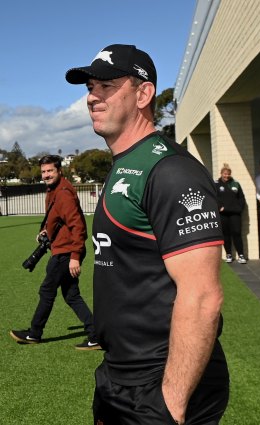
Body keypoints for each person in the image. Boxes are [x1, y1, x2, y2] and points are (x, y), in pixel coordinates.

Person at [66, 44, 229, 425]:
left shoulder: (170, 170)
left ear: (143, 94)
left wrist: (170, 401)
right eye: (90, 86)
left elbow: (203, 296)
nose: (92, 97)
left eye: (106, 85)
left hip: (163, 380)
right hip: (118, 374)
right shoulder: (126, 166)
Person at [10, 155, 100, 351]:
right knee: (71, 295)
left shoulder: (64, 193)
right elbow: (58, 218)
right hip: (63, 248)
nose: (46, 175)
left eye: (50, 171)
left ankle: (34, 333)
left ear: (59, 171)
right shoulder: (55, 190)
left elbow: (78, 227)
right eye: (43, 172)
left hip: (67, 252)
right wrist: (46, 231)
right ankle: (96, 335)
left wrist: (75, 257)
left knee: (47, 291)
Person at [215, 163, 247, 264]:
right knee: (225, 234)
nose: (226, 176)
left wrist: (239, 208)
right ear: (221, 174)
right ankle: (229, 254)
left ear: (230, 174)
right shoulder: (216, 184)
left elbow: (241, 198)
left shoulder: (235, 183)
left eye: (228, 174)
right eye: (224, 174)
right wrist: (219, 207)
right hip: (223, 214)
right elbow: (214, 197)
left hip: (235, 213)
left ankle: (241, 255)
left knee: (237, 233)